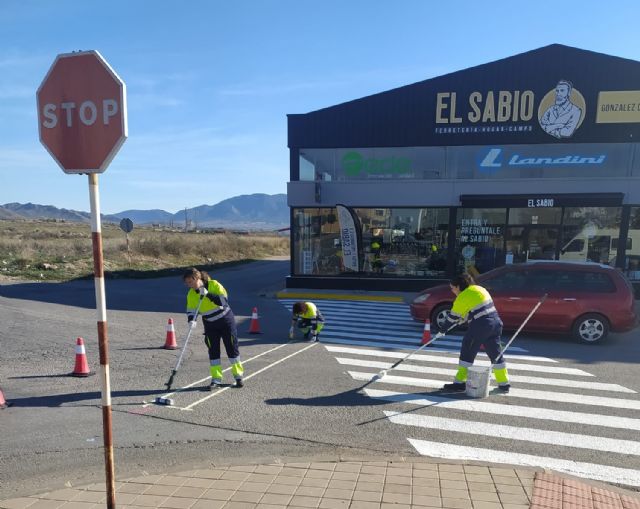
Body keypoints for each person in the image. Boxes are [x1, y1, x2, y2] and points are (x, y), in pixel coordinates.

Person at [440, 273, 510, 393]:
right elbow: (473, 311)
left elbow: (452, 318)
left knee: (467, 351)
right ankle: (504, 383)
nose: (452, 291)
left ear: (458, 287)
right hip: (496, 323)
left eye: (452, 288)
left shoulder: (462, 297)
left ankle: (460, 383)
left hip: (480, 326)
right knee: (495, 353)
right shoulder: (479, 289)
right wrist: (461, 320)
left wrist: (443, 329)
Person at [183, 267, 244, 390]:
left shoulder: (214, 284)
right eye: (187, 283)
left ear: (196, 278)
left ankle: (238, 376)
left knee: (231, 348)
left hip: (225, 321)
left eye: (190, 282)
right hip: (210, 324)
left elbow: (224, 301)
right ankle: (216, 379)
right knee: (213, 350)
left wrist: (208, 294)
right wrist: (191, 320)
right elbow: (191, 310)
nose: (188, 285)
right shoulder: (191, 294)